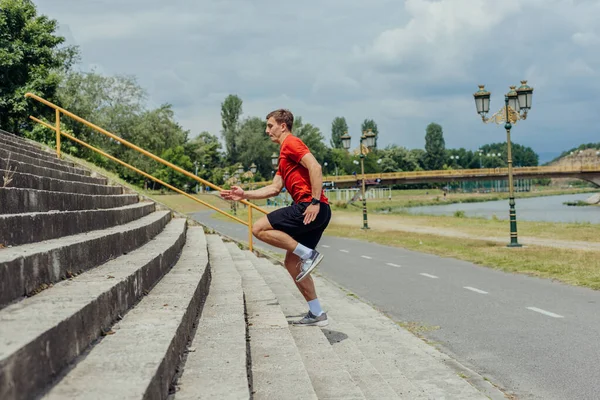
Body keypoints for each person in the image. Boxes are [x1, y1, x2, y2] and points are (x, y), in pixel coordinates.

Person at [220, 109, 331, 327]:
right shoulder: (283, 155)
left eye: (270, 125)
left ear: (283, 125)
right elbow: (274, 188)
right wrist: (244, 195)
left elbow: (315, 167)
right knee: (291, 263)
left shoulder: (291, 143)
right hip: (316, 210)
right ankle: (317, 312)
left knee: (259, 228)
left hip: (310, 207)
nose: (267, 130)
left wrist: (314, 202)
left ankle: (309, 254)